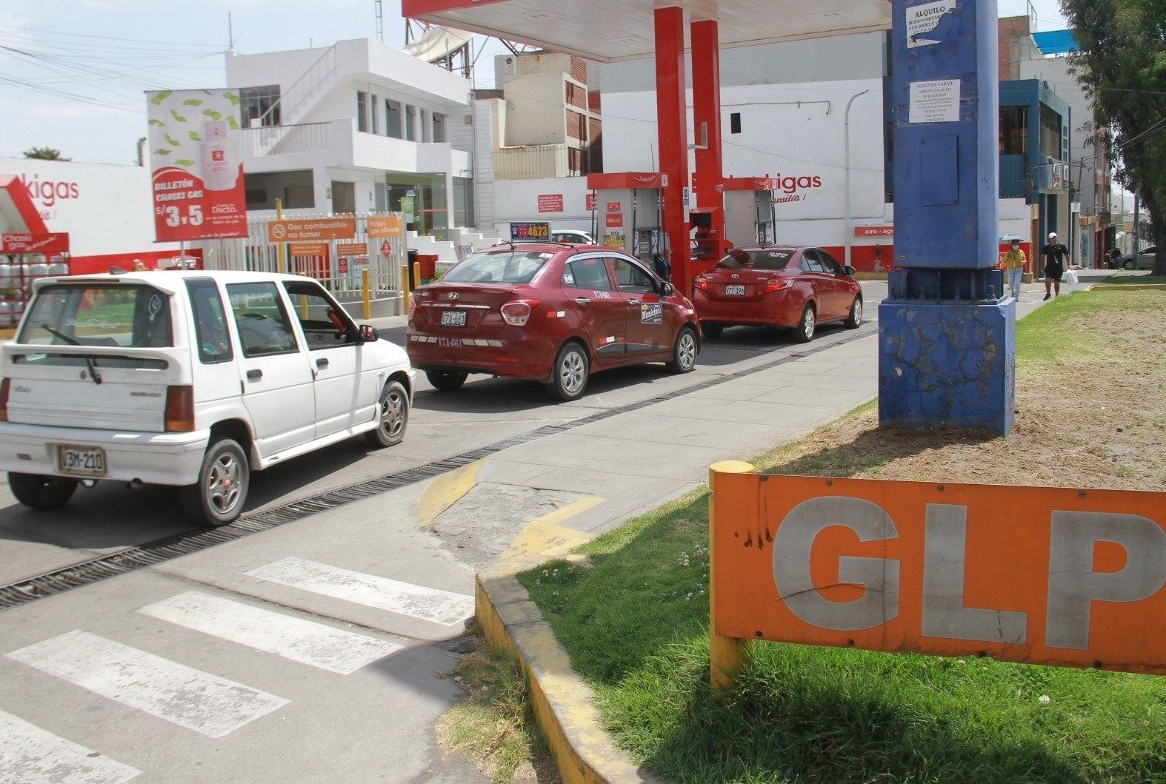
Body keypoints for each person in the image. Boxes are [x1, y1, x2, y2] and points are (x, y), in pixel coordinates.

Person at [1041, 231, 1069, 300]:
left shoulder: (1061, 246)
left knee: (1056, 282)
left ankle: (1057, 295)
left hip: (1058, 267)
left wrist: (1069, 264)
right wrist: (1042, 266)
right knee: (1047, 280)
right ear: (1049, 239)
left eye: (1054, 238)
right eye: (1052, 238)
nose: (1053, 239)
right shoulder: (1046, 247)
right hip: (1049, 267)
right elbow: (1042, 256)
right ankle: (1048, 293)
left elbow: (1066, 255)